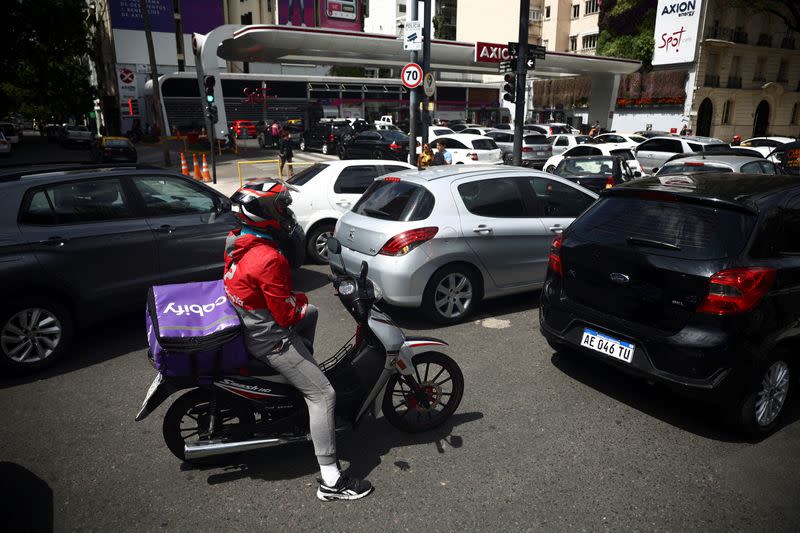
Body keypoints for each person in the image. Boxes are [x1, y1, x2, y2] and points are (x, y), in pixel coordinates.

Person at [223, 186, 374, 502]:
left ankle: (301, 374)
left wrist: (302, 305)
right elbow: (287, 314)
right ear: (261, 214)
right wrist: (300, 301)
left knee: (313, 312)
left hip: (251, 324)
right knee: (323, 394)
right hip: (269, 340)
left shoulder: (236, 241)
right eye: (278, 208)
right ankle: (331, 481)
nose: (285, 214)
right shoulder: (269, 258)